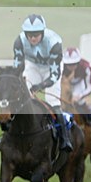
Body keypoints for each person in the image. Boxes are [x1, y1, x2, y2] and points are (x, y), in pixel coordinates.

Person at [12, 14, 72, 152]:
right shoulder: (19, 42)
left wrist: (39, 86)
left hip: (51, 69)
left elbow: (55, 75)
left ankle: (65, 139)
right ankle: (11, 133)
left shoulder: (54, 43)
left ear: (43, 32)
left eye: (36, 34)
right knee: (21, 98)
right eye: (29, 35)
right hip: (32, 66)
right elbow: (17, 67)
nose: (32, 38)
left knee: (52, 101)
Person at [62, 47, 91, 139]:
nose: (71, 67)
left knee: (79, 102)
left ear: (78, 62)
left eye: (74, 64)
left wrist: (79, 96)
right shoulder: (60, 66)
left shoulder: (87, 67)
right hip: (64, 83)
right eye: (68, 64)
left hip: (78, 83)